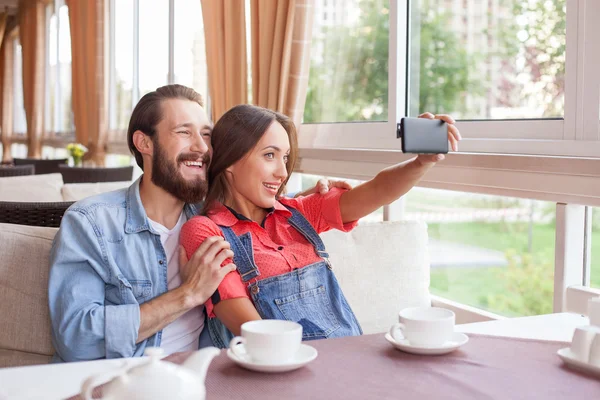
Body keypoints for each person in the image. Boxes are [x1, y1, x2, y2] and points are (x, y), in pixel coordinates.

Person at [48, 84, 344, 362]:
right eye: (184, 132)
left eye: (206, 135)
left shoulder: (212, 216)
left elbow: (258, 197)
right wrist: (187, 294)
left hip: (210, 375)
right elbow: (76, 338)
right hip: (129, 382)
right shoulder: (91, 223)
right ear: (144, 143)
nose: (202, 148)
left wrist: (297, 197)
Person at [180, 104, 461, 348]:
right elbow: (247, 325)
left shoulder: (298, 213)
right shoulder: (205, 229)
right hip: (281, 369)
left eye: (285, 158)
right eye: (269, 155)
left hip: (346, 359)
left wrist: (421, 162)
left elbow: (376, 191)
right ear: (230, 160)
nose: (282, 172)